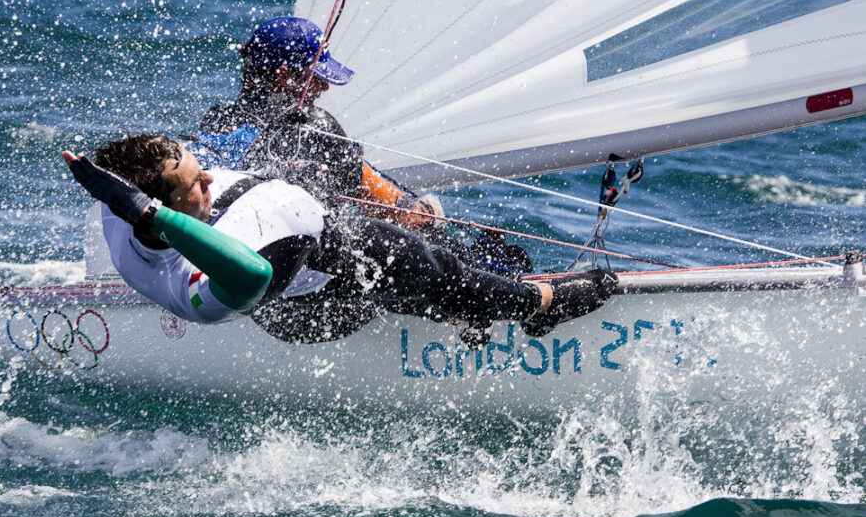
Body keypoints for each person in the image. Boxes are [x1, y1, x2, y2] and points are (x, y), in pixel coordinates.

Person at [62, 134, 618, 343]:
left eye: (199, 166)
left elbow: (138, 194)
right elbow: (251, 275)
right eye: (194, 185)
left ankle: (459, 310)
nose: (208, 177)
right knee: (403, 256)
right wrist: (153, 213)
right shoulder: (188, 285)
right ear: (156, 215)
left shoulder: (116, 196)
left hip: (314, 262)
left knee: (378, 253)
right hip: (304, 316)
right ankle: (534, 305)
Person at [198, 16, 447, 232]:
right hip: (296, 270)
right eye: (316, 74)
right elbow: (398, 215)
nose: (325, 85)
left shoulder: (217, 119)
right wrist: (428, 212)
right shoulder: (314, 126)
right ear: (285, 76)